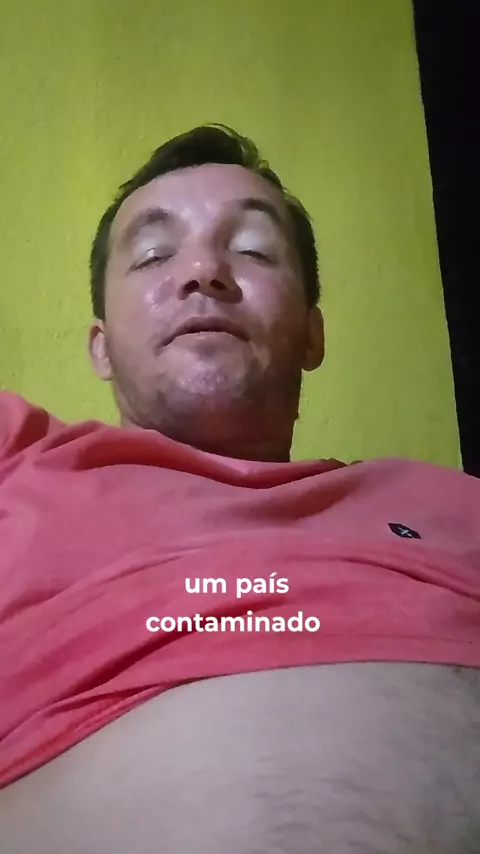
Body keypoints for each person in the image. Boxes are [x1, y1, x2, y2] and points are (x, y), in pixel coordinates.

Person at [0, 124, 478, 854]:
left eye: (252, 250)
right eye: (154, 255)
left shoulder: (451, 504)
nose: (204, 273)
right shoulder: (18, 465)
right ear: (101, 347)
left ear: (312, 334)